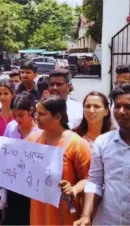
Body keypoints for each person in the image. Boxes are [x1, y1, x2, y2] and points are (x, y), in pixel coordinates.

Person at [74, 83, 130, 226]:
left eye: (129, 107)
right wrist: (86, 215)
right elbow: (95, 182)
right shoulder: (103, 142)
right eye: (117, 106)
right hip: (106, 221)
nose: (121, 111)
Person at [28, 96, 91, 225]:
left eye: (41, 114)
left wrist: (73, 189)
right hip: (37, 213)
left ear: (58, 117)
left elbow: (90, 178)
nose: (36, 117)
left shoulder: (76, 143)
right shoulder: (32, 140)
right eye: (36, 113)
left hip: (65, 214)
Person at [1, 92, 40, 225]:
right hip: (13, 184)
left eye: (21, 115)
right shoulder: (11, 128)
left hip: (33, 187)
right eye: (14, 115)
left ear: (31, 111)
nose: (17, 119)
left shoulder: (40, 132)